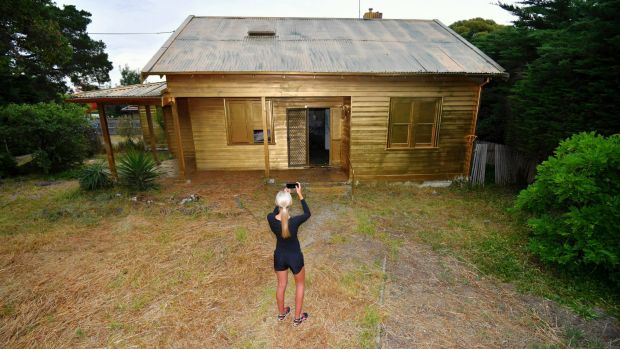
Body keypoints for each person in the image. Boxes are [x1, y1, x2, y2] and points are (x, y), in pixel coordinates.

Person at [267, 182, 311, 326]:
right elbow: (307, 213)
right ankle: (297, 318)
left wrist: (283, 196)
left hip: (280, 256)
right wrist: (299, 194)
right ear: (290, 203)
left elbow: (275, 213)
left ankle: (281, 313)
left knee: (281, 285)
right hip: (295, 257)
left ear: (277, 203)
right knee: (300, 285)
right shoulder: (295, 221)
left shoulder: (270, 219)